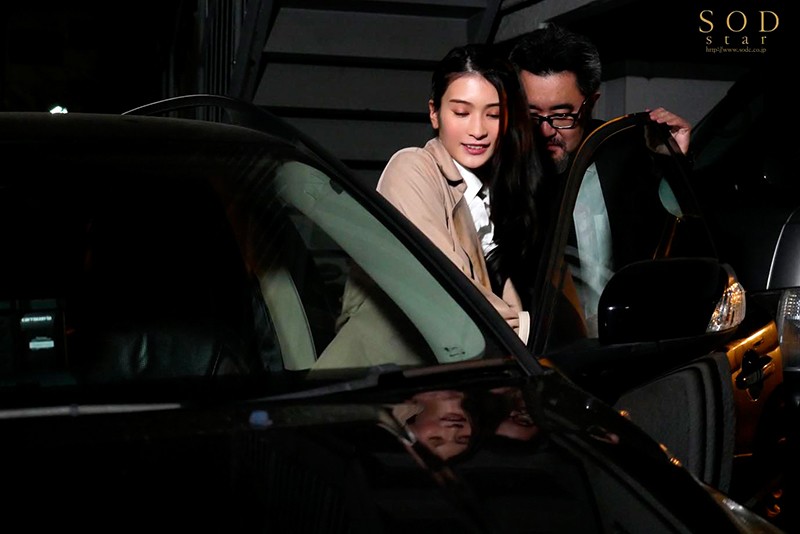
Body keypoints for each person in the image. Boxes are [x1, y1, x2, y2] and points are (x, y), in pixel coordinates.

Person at [377, 43, 544, 340]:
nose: (477, 130)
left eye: (493, 115)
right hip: (390, 363)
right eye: (462, 112)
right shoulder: (412, 169)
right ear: (434, 113)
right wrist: (532, 331)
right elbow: (453, 294)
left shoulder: (500, 193)